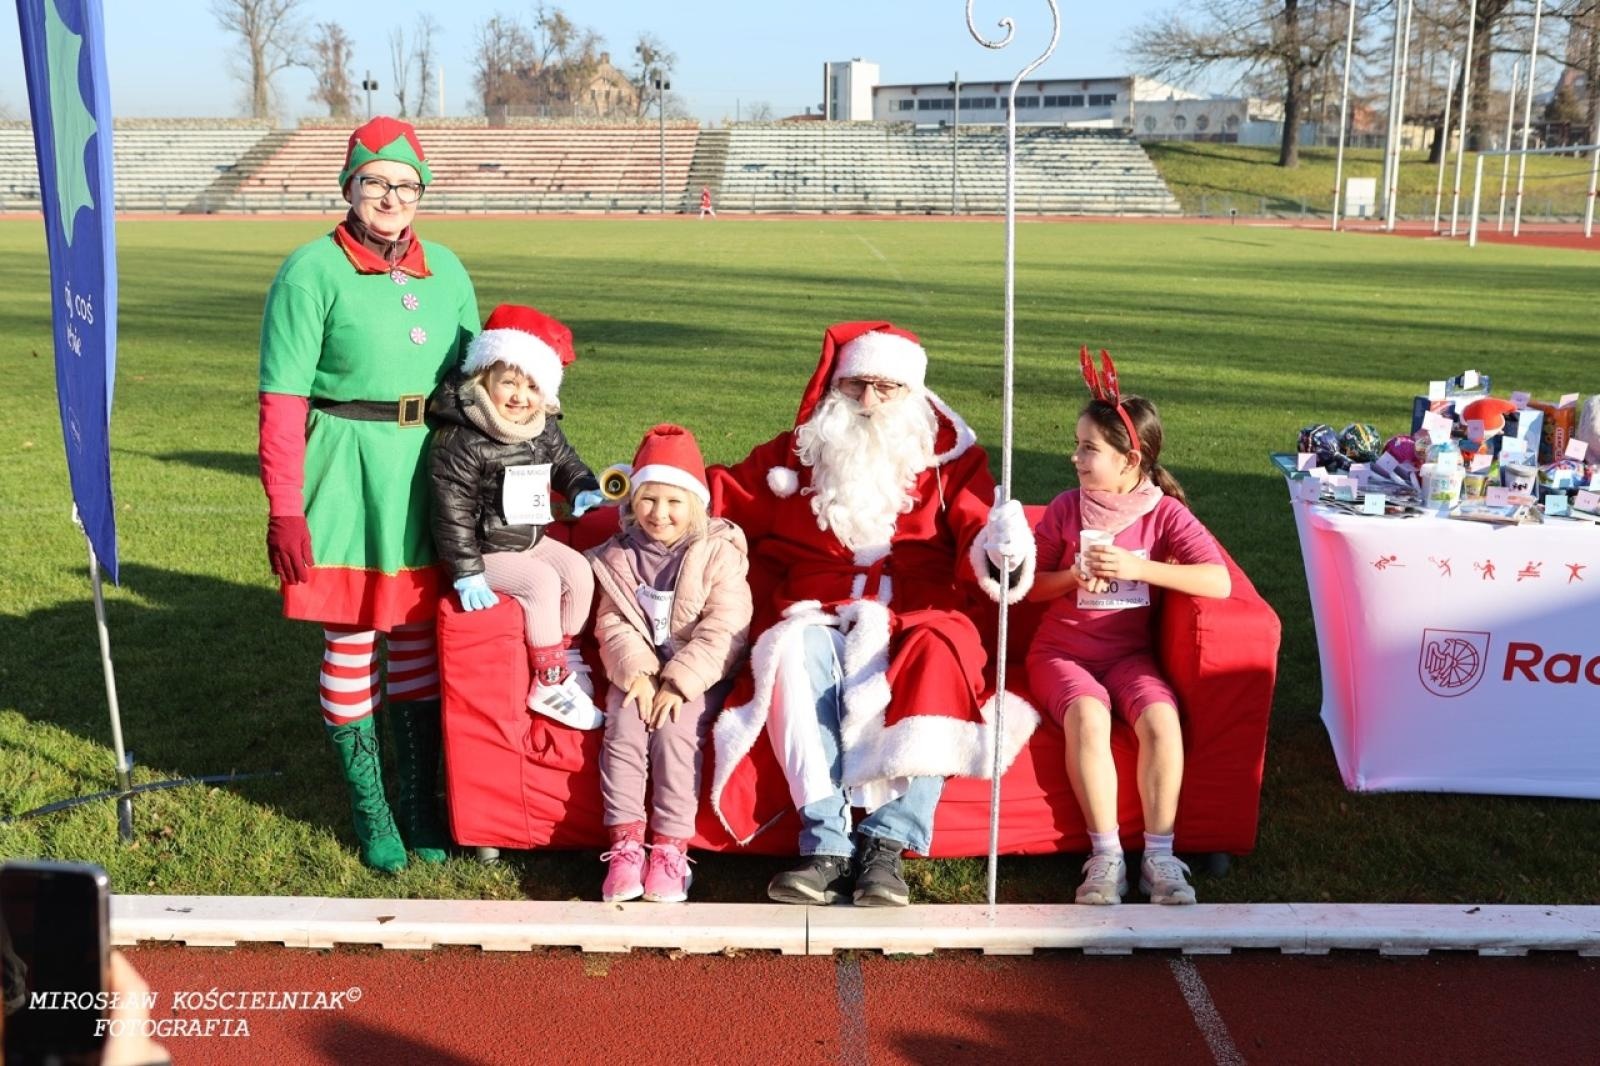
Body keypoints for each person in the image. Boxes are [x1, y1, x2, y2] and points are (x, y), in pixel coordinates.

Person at [707, 321, 1038, 907]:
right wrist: (652, 486)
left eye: (887, 389)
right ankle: (825, 843)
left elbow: (977, 530)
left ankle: (887, 847)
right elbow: (721, 493)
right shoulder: (799, 452)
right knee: (786, 650)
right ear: (836, 387)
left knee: (937, 653)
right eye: (857, 386)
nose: (868, 402)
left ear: (911, 393)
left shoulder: (951, 461)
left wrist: (1002, 545)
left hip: (919, 608)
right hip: (817, 605)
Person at [258, 116, 479, 873]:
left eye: (405, 185)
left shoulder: (447, 268)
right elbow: (282, 399)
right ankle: (372, 805)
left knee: (417, 634)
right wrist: (285, 506)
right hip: (345, 469)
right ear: (350, 188)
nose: (391, 196)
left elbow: (480, 385)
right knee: (352, 635)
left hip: (430, 468)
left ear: (422, 194)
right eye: (376, 182)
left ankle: (419, 801)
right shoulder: (309, 270)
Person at [1024, 349, 1231, 906]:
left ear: (1129, 459)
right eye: (1078, 445)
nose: (1075, 457)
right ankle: (1106, 856)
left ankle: (1159, 858)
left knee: (1163, 721)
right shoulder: (1068, 509)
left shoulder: (1163, 513)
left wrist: (1138, 568)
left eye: (1089, 448)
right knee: (1088, 715)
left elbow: (1218, 581)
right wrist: (1070, 576)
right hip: (1061, 654)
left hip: (1128, 657)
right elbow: (1025, 586)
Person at [586, 425, 753, 902]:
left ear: (696, 504)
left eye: (674, 502)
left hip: (697, 675)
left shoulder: (718, 553)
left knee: (675, 731)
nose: (659, 514)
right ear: (633, 500)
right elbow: (613, 623)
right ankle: (624, 846)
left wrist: (678, 684)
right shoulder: (619, 554)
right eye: (649, 500)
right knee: (624, 723)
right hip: (638, 673)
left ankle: (670, 849)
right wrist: (638, 674)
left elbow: (727, 628)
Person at [428, 304, 606, 727]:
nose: (519, 396)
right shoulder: (461, 438)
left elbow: (565, 460)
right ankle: (547, 681)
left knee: (579, 571)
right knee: (541, 583)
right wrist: (466, 571)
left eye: (531, 387)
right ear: (482, 377)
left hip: (528, 537)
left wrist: (581, 485)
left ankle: (564, 654)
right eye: (508, 382)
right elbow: (449, 513)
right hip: (486, 551)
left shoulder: (538, 423)